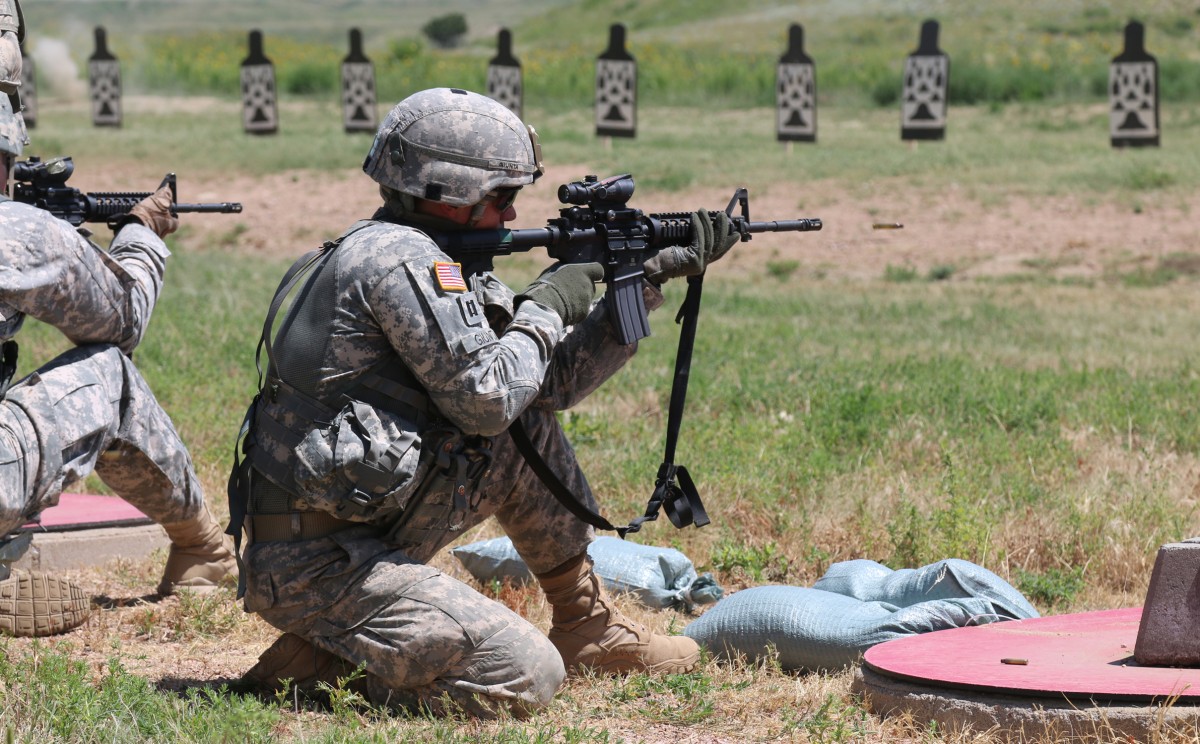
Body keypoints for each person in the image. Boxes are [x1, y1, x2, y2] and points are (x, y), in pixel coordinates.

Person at [230, 87, 738, 717]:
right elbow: (486, 400)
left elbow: (546, 387)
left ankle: (586, 625)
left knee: (528, 428)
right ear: (445, 190)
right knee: (526, 677)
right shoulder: (398, 262)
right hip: (317, 563)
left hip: (370, 530)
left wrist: (644, 279)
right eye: (500, 198)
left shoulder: (442, 259)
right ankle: (320, 666)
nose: (509, 214)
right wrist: (547, 305)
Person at [0, 17, 236, 636]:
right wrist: (140, 234)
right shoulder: (19, 231)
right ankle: (203, 551)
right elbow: (120, 318)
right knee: (109, 376)